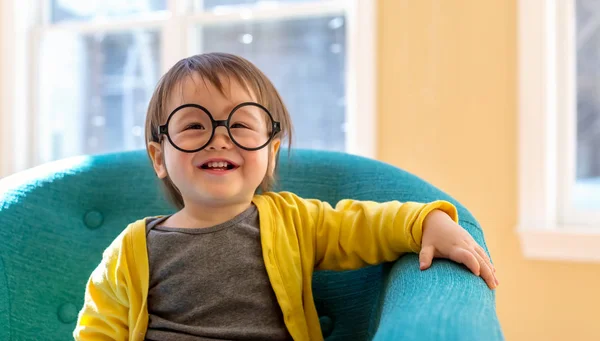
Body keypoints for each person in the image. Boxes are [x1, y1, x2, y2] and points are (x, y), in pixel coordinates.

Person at [74, 52, 498, 341]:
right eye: (193, 126)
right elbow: (99, 329)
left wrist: (425, 222)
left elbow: (361, 225)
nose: (219, 138)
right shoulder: (131, 250)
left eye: (240, 126)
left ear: (271, 153)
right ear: (159, 157)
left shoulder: (294, 220)